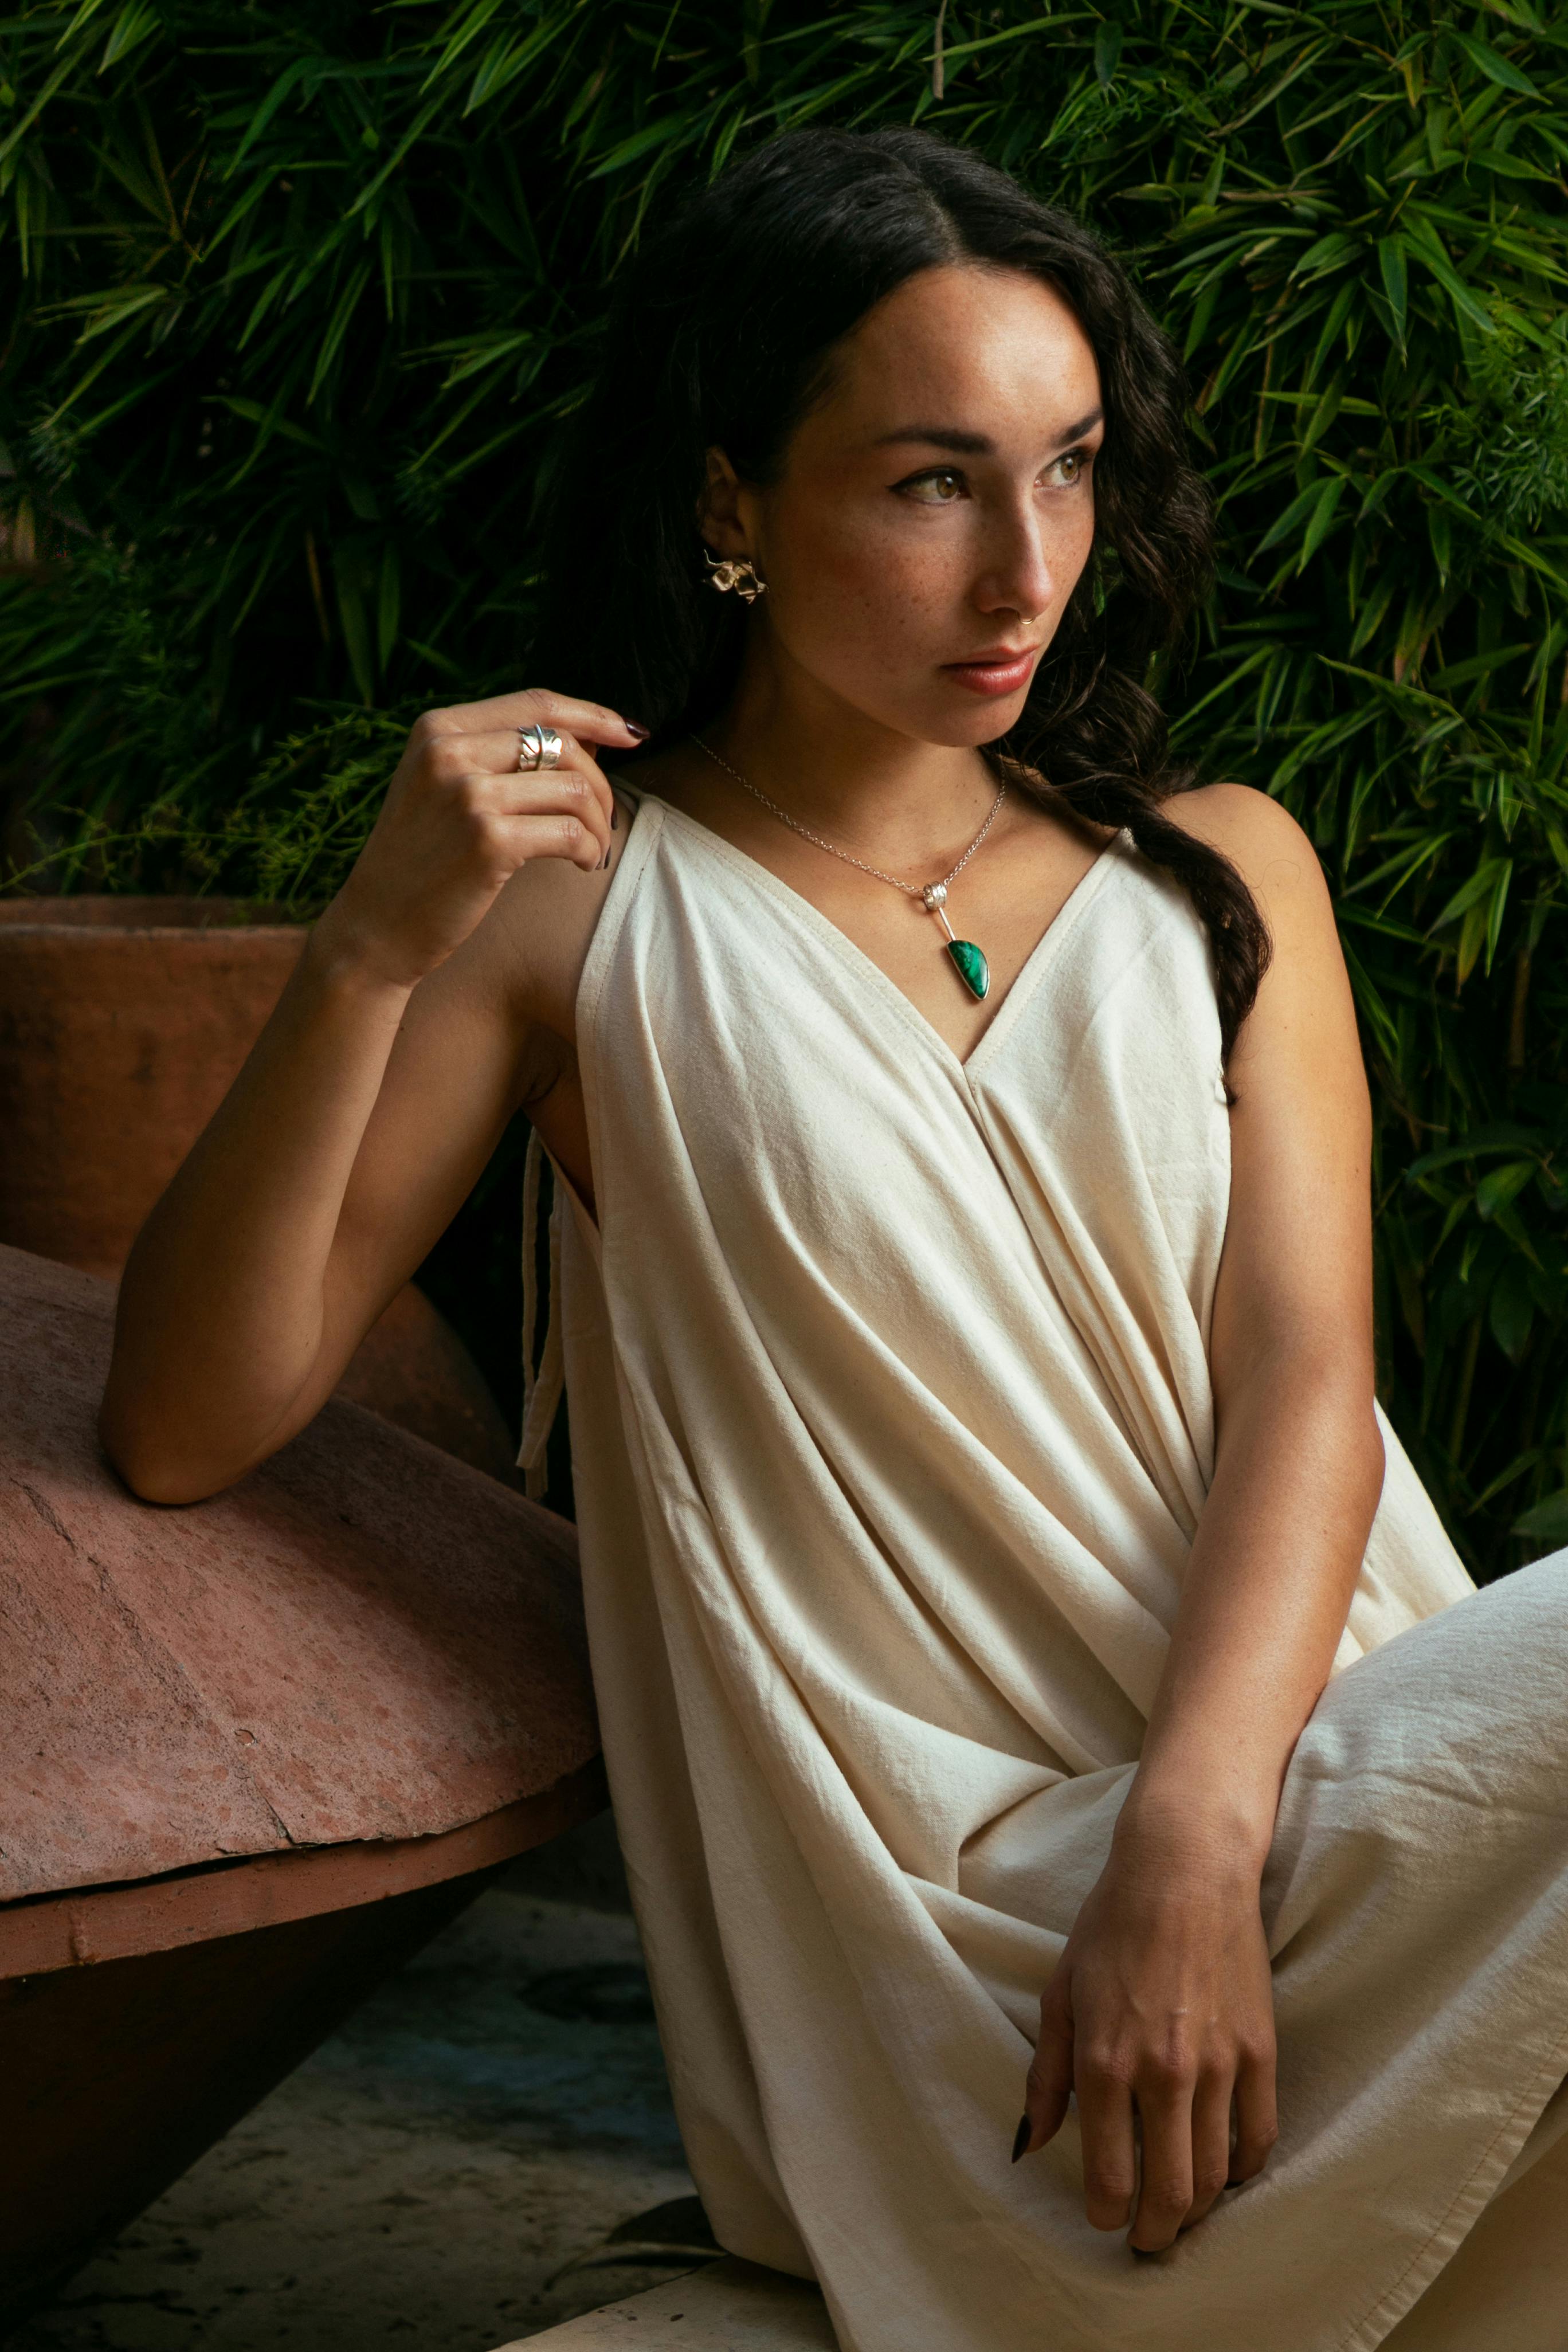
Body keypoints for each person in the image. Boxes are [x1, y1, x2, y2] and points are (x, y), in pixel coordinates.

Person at [102, 127, 1567, 2352]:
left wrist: (1191, 1843)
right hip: (970, 1938)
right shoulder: (582, 915)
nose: (1025, 571)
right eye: (928, 483)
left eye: (1068, 471)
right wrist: (365, 958)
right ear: (729, 507)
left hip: (1320, 1814)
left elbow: (1308, 1388)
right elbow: (188, 1425)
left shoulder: (1223, 871)